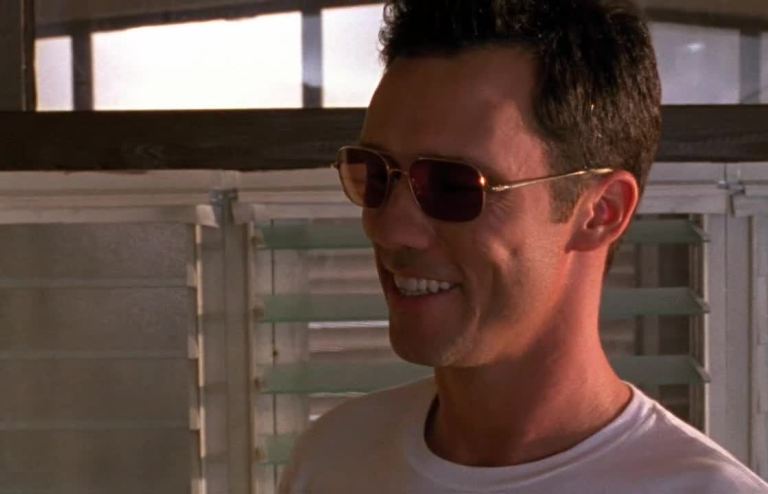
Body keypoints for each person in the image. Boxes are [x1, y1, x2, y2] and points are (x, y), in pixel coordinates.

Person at [280, 0, 768, 492]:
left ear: (601, 212)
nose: (390, 229)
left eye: (453, 186)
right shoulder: (332, 459)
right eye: (375, 173)